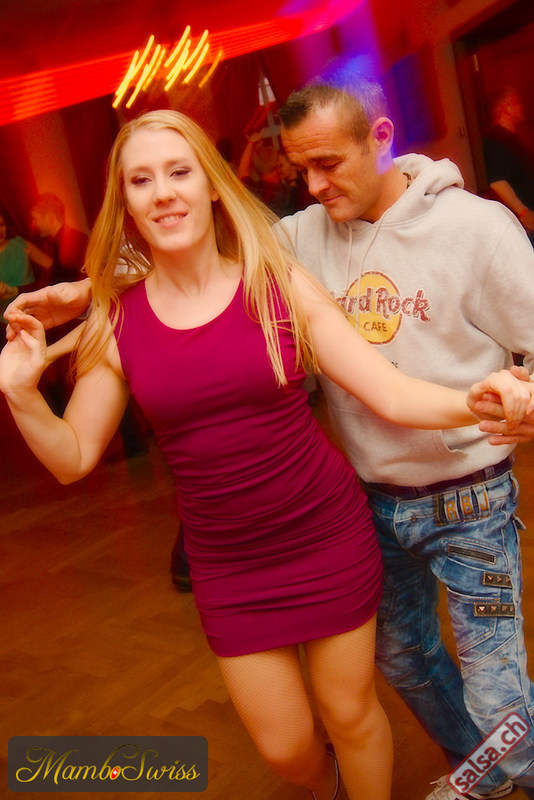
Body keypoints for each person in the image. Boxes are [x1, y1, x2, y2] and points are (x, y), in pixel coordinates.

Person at [1, 109, 531, 800]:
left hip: (327, 535)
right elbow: (72, 456)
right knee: (286, 750)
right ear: (125, 202)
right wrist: (21, 394)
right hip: (229, 564)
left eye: (179, 171)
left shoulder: (276, 280)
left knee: (350, 713)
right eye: (141, 179)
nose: (163, 192)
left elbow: (392, 393)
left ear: (211, 185)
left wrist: (479, 401)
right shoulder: (118, 319)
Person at [274, 73, 534, 800]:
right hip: (370, 506)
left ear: (381, 138)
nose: (314, 186)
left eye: (329, 163)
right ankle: (484, 770)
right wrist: (90, 289)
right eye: (301, 170)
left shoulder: (478, 229)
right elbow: (197, 255)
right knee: (404, 661)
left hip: (472, 503)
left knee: (499, 696)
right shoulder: (296, 239)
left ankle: (510, 765)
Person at [483, 86, 534, 245]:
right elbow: (497, 182)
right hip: (524, 225)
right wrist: (524, 213)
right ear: (506, 108)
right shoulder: (496, 140)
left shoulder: (510, 138)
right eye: (516, 102)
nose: (521, 107)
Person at [0, 208, 51, 344]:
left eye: (1, 224)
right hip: (5, 325)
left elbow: (52, 268)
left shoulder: (20, 245)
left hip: (34, 315)